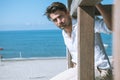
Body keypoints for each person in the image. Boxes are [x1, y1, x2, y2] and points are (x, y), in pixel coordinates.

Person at [44, 2, 113, 80]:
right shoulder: (64, 33)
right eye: (55, 20)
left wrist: (97, 4)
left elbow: (110, 28)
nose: (59, 21)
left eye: (60, 16)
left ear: (67, 12)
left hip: (101, 70)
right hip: (79, 69)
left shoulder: (85, 21)